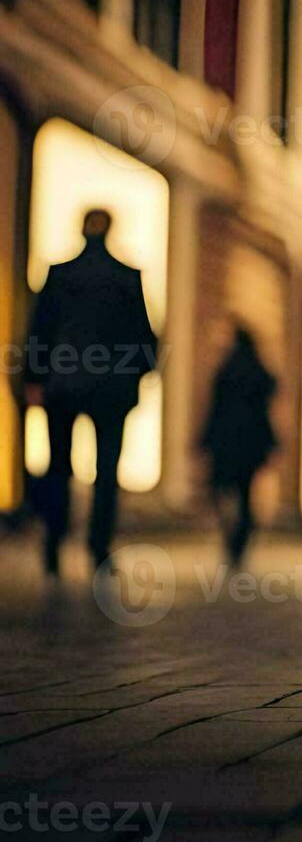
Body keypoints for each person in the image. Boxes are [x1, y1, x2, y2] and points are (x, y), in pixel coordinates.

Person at [23, 209, 157, 575]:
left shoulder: (60, 276)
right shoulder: (126, 279)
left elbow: (39, 332)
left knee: (59, 466)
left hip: (63, 385)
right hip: (111, 389)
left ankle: (54, 540)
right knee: (107, 472)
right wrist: (137, 377)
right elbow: (145, 340)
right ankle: (99, 547)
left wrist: (34, 379)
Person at [200, 326, 278, 566]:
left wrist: (205, 439)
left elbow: (215, 409)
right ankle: (239, 539)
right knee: (244, 495)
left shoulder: (226, 372)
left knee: (220, 491)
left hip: (226, 443)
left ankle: (231, 537)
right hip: (250, 445)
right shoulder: (258, 372)